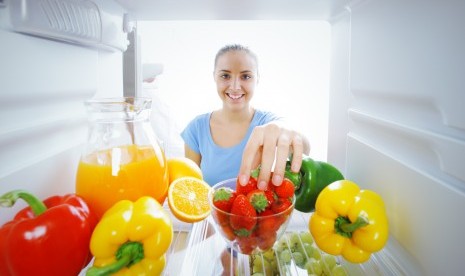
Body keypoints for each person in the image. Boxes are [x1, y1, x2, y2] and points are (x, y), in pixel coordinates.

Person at [181, 44, 310, 190]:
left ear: (257, 79)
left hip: (258, 213)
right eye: (225, 76)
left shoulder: (267, 122)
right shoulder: (196, 129)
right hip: (211, 213)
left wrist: (286, 130)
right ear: (214, 77)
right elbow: (190, 188)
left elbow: (304, 148)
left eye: (246, 76)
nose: (235, 86)